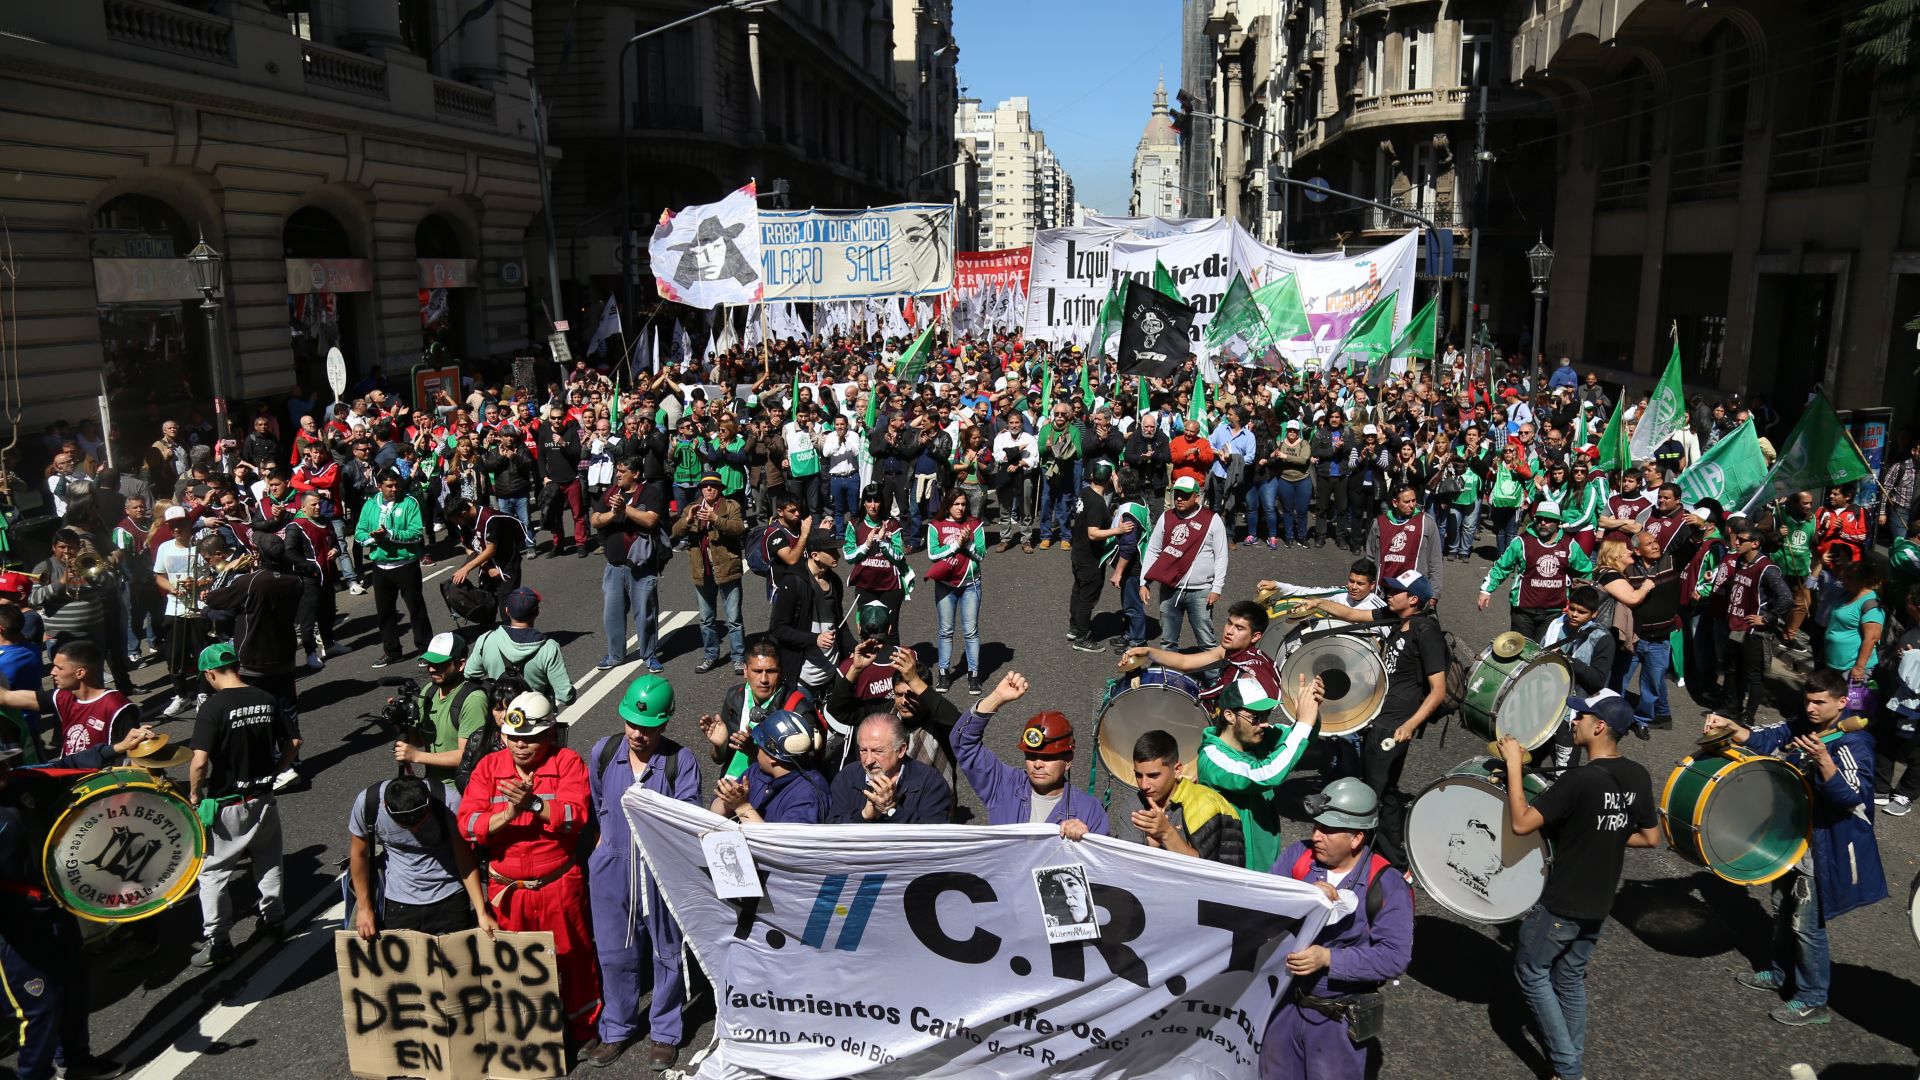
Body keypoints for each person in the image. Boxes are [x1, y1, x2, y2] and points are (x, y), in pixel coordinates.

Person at [1706, 669, 1888, 1026]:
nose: (1811, 708)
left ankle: (1812, 998)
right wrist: (1729, 726)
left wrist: (1823, 762)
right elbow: (1768, 738)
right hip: (1789, 839)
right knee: (1780, 907)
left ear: (1841, 702)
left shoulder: (1855, 743)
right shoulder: (1806, 724)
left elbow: (1854, 799)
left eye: (1820, 702)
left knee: (1807, 925)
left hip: (1821, 849)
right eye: (1807, 700)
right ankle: (1779, 972)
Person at [1499, 691, 1660, 1080]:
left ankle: (1568, 1070)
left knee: (1531, 972)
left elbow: (1522, 823)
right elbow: (1650, 838)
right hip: (1600, 901)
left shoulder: (1580, 781)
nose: (1574, 721)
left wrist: (1514, 766)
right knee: (1569, 976)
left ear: (1600, 727)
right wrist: (1603, 834)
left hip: (1563, 900)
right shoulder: (1638, 775)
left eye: (1582, 717)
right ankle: (1571, 1065)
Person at [0, 722, 164, 1080]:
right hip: (14, 932)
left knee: (75, 986)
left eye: (4, 762)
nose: (3, 771)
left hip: (54, 909)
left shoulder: (21, 782)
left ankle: (75, 1062)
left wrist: (119, 746)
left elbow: (68, 765)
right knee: (39, 1010)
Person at [457, 691, 601, 1044]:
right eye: (515, 738)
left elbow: (575, 816)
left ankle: (583, 1030)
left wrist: (534, 804)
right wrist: (508, 814)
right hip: (507, 891)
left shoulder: (567, 763)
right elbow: (467, 824)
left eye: (530, 739)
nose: (520, 746)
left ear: (549, 735)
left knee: (573, 960)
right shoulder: (488, 768)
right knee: (515, 968)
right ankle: (530, 1040)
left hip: (558, 886)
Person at [1260, 778, 1413, 1080]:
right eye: (1316, 826)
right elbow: (1265, 907)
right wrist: (1304, 895)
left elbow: (1394, 957)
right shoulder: (1298, 858)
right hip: (1285, 1002)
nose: (1315, 836)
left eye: (1327, 830)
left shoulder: (1386, 884)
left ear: (1356, 838)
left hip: (1338, 1019)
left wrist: (1327, 959)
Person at [585, 676, 702, 1071]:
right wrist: (605, 848)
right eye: (632, 724)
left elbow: (687, 819)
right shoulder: (603, 752)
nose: (637, 733)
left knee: (666, 950)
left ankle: (665, 1032)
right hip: (612, 868)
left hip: (660, 871)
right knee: (613, 953)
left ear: (665, 723)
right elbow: (598, 802)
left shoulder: (678, 761)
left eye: (648, 727)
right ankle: (616, 1028)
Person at [1296, 571, 1449, 868]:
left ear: (1414, 599)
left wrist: (1410, 725)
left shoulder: (1425, 632)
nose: (1388, 593)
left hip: (1395, 725)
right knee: (1385, 792)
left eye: (1395, 590)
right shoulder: (1395, 618)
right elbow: (1353, 614)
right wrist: (1319, 603)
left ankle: (1372, 859)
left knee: (1371, 795)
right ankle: (1395, 860)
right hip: (1379, 718)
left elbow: (1438, 691)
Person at [187, 642, 296, 966]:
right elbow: (293, 742)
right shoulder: (265, 698)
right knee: (268, 859)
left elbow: (199, 763)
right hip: (263, 798)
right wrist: (276, 772)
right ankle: (274, 919)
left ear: (209, 674)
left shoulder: (213, 708)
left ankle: (218, 940)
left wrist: (195, 794)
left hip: (228, 803)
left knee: (212, 874)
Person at [951, 672, 1108, 836]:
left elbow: (1103, 860)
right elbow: (962, 742)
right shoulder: (1003, 786)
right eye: (1031, 756)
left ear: (1068, 760)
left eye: (1048, 758)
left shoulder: (1090, 811)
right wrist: (997, 698)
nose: (1038, 764)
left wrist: (1088, 841)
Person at [1194, 676, 1321, 871]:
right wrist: (1303, 723)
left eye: (1267, 715)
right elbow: (1263, 774)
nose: (1264, 723)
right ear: (1229, 716)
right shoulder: (1212, 758)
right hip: (1235, 869)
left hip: (1267, 866)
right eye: (1256, 717)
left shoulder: (1258, 736)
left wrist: (1312, 709)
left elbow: (1300, 738)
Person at [347, 774, 493, 937]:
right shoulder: (368, 803)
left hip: (450, 899)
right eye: (404, 824)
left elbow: (465, 858)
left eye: (421, 821)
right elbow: (359, 855)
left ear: (428, 804)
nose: (415, 830)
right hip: (399, 904)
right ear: (385, 805)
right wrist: (364, 908)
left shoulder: (449, 801)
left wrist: (481, 912)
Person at [1122, 599, 1280, 708]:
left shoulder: (1249, 673)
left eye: (1239, 628)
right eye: (1229, 623)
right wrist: (1147, 652)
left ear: (1256, 636)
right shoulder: (1228, 650)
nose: (1229, 631)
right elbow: (1185, 662)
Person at [590, 454, 667, 673]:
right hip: (614, 567)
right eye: (617, 471)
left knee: (645, 614)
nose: (617, 475)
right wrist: (613, 514)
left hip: (642, 568)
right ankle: (615, 655)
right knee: (612, 614)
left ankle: (649, 655)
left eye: (622, 471)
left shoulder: (650, 493)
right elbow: (595, 520)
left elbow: (651, 520)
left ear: (636, 474)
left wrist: (626, 509)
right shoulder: (612, 493)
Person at [1121, 727, 1241, 864]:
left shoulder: (1205, 803)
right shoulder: (1134, 806)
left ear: (1177, 770)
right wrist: (1152, 848)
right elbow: (1126, 866)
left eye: (1153, 775)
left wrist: (1166, 833)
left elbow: (1208, 871)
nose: (1144, 785)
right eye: (1138, 775)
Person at [1478, 501, 1594, 640]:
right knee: (1520, 653)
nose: (1543, 522)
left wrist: (1576, 601)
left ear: (1558, 522)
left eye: (1548, 519)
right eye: (1539, 519)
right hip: (1523, 611)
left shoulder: (1569, 545)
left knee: (1543, 655)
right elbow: (1501, 567)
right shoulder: (1522, 542)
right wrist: (1486, 590)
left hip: (1554, 612)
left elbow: (1586, 572)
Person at [0, 640, 137, 757]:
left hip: (103, 782)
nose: (52, 672)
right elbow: (5, 697)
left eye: (59, 668)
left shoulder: (117, 707)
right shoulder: (62, 697)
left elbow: (134, 755)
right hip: (71, 779)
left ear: (80, 673)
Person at [1140, 474, 1229, 649]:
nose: (1179, 498)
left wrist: (1216, 588)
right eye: (1177, 494)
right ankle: (1169, 676)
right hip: (1169, 588)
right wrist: (1144, 581)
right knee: (1167, 641)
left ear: (1197, 497)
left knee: (1206, 641)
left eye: (1185, 495)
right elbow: (1153, 550)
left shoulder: (1212, 520)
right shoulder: (1166, 517)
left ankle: (1213, 676)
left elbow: (1221, 556)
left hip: (1201, 591)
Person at [353, 468, 431, 667]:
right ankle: (392, 651)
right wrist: (373, 538)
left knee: (416, 609)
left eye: (396, 485)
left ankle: (426, 649)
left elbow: (415, 534)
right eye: (389, 486)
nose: (394, 489)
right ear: (379, 486)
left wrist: (389, 534)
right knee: (385, 612)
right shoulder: (370, 505)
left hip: (406, 565)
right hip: (380, 567)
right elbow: (359, 533)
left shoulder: (409, 502)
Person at [673, 472, 747, 675]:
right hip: (702, 570)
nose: (708, 489)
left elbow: (738, 528)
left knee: (733, 618)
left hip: (727, 568)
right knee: (706, 618)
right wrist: (688, 519)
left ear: (720, 489)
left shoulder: (731, 506)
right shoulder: (692, 508)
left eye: (713, 486)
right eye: (705, 486)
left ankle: (739, 657)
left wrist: (716, 519)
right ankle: (710, 655)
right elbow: (675, 531)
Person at [395, 632, 489, 788]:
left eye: (439, 664)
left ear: (460, 665)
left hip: (462, 788)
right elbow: (419, 741)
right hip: (433, 783)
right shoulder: (428, 692)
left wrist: (416, 756)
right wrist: (400, 722)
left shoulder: (474, 700)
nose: (431, 669)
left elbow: (466, 756)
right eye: (429, 663)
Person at [1722, 524, 1793, 727]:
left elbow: (1786, 598)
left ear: (1755, 544)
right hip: (1736, 627)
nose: (1736, 542)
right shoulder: (1739, 562)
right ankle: (1731, 708)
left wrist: (1767, 618)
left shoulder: (1767, 568)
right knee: (1733, 669)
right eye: (1736, 538)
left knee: (1754, 675)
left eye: (1741, 540)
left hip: (1754, 633)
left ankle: (1748, 715)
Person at [825, 712, 953, 824]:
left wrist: (891, 811)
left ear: (901, 750)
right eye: (863, 750)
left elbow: (933, 839)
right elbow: (833, 829)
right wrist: (864, 816)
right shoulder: (847, 776)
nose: (868, 760)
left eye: (878, 751)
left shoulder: (930, 782)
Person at [710, 708, 830, 824]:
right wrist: (729, 801)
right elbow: (714, 814)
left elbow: (778, 843)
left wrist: (742, 806)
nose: (756, 749)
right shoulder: (758, 771)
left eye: (759, 745)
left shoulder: (807, 796)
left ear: (772, 758)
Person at [465, 587, 576, 706]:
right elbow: (566, 697)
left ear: (507, 611)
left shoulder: (486, 639)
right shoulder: (549, 648)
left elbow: (469, 675)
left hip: (499, 715)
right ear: (536, 613)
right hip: (535, 717)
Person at [924, 487, 986, 692]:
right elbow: (933, 554)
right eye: (956, 504)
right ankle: (943, 672)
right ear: (948, 505)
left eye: (963, 504)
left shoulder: (975, 525)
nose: (960, 508)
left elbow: (982, 555)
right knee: (945, 631)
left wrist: (967, 544)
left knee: (970, 631)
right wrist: (955, 544)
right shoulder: (936, 525)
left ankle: (974, 674)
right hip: (945, 586)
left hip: (970, 585)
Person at [1068, 460, 1130, 651]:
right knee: (1088, 596)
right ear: (1108, 481)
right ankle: (1082, 638)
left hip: (1078, 552)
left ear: (1092, 476)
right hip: (1090, 557)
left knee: (1078, 591)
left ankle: (1075, 627)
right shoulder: (1097, 503)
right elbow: (1093, 533)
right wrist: (1118, 530)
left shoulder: (1085, 492)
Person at [842, 482, 910, 643]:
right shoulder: (855, 524)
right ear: (863, 502)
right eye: (869, 501)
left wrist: (883, 542)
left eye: (877, 500)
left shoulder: (892, 524)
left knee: (890, 631)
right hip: (865, 586)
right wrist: (866, 544)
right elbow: (849, 556)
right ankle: (868, 668)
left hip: (890, 586)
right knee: (867, 629)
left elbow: (899, 556)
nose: (873, 505)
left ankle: (892, 668)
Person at [1365, 484, 1444, 596]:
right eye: (1407, 502)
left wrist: (1435, 593)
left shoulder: (1426, 523)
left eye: (1414, 500)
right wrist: (1368, 585)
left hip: (1413, 592)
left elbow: (1435, 561)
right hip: (1382, 590)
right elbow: (1370, 557)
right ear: (1395, 503)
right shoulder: (1379, 523)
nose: (1412, 505)